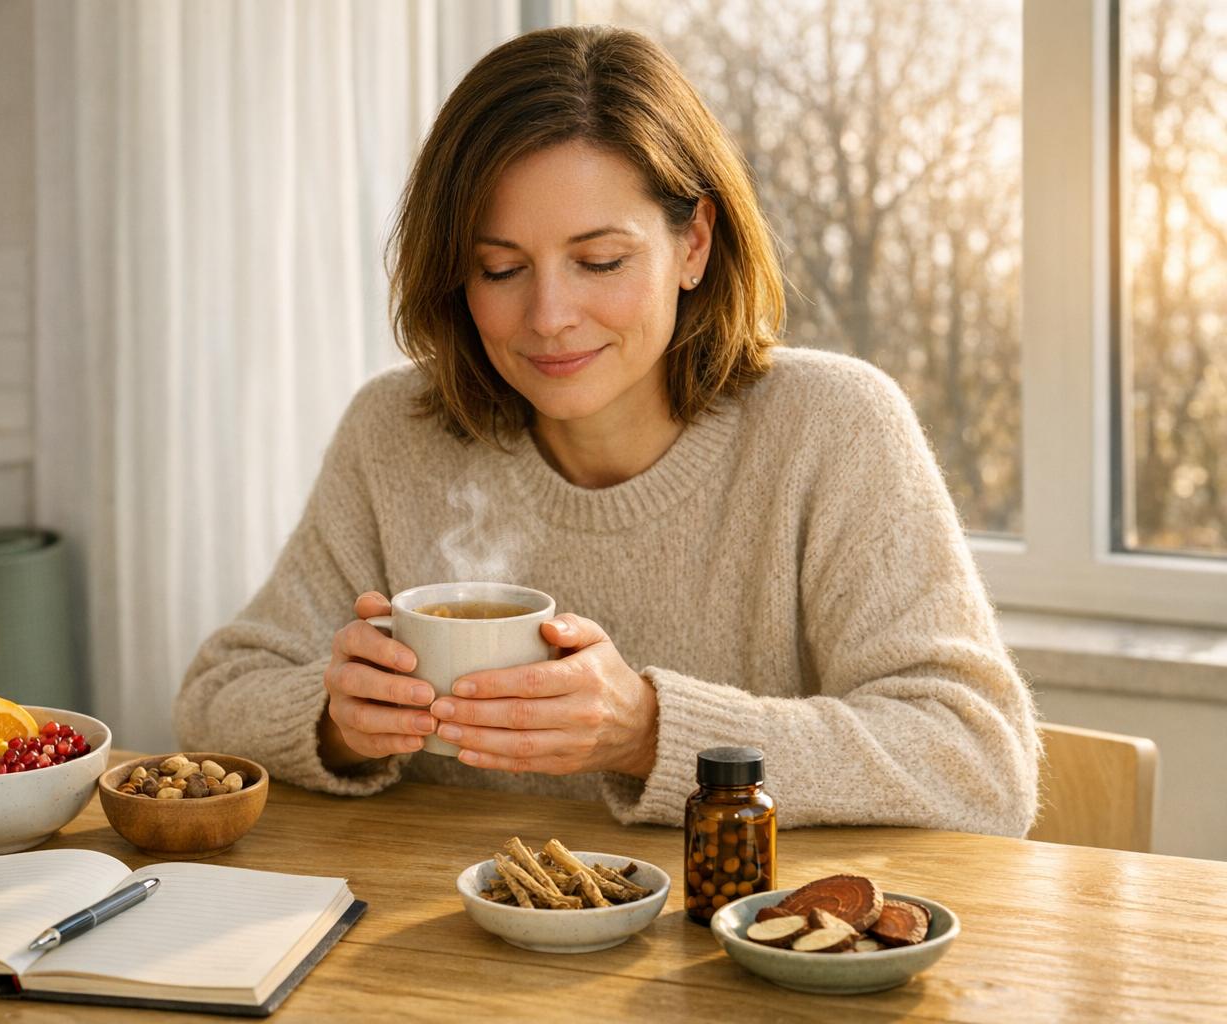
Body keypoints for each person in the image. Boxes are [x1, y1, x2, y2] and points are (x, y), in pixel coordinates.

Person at [173, 25, 1039, 835]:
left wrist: (650, 731)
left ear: (693, 242)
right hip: (439, 955)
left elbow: (978, 764)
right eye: (500, 268)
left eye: (600, 262)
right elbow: (217, 695)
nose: (548, 316)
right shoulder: (397, 434)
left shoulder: (832, 429)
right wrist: (338, 721)